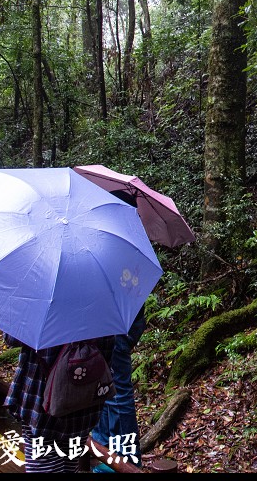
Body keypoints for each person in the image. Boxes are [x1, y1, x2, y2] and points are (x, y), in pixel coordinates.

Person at [90, 189, 147, 472]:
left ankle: (127, 460)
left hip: (116, 330)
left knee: (119, 395)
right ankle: (105, 453)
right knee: (102, 390)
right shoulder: (127, 244)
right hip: (108, 329)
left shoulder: (126, 247)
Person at [4, 334, 116, 473]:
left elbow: (12, 338)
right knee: (70, 463)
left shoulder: (44, 315)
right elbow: (107, 355)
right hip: (83, 409)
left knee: (42, 464)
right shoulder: (102, 317)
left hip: (42, 406)